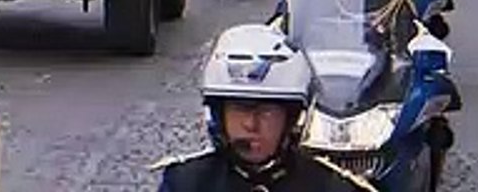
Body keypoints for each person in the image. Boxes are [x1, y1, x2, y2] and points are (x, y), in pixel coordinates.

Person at [152, 24, 376, 191]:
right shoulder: (185, 184)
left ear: (291, 119)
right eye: (239, 109)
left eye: (267, 112)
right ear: (219, 116)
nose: (251, 125)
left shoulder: (330, 187)